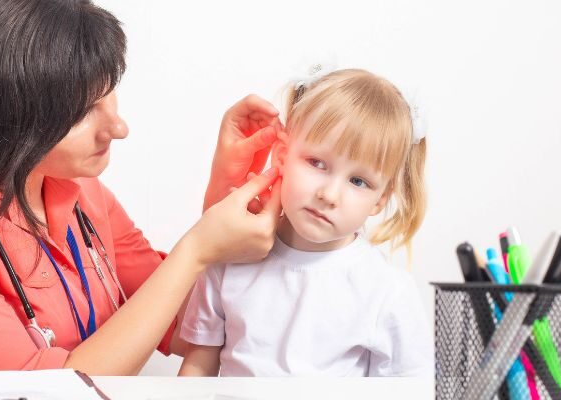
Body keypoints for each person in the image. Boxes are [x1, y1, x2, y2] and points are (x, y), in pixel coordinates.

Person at [0, 0, 283, 374]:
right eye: (84, 111)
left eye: (110, 95)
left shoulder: (77, 190)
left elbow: (186, 328)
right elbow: (50, 393)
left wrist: (223, 193)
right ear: (3, 112)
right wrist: (197, 249)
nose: (118, 127)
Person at [178, 68, 433, 377]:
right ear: (282, 156)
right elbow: (196, 368)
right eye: (317, 163)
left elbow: (408, 390)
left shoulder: (386, 291)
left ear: (380, 199)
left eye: (358, 181)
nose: (329, 194)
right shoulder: (229, 259)